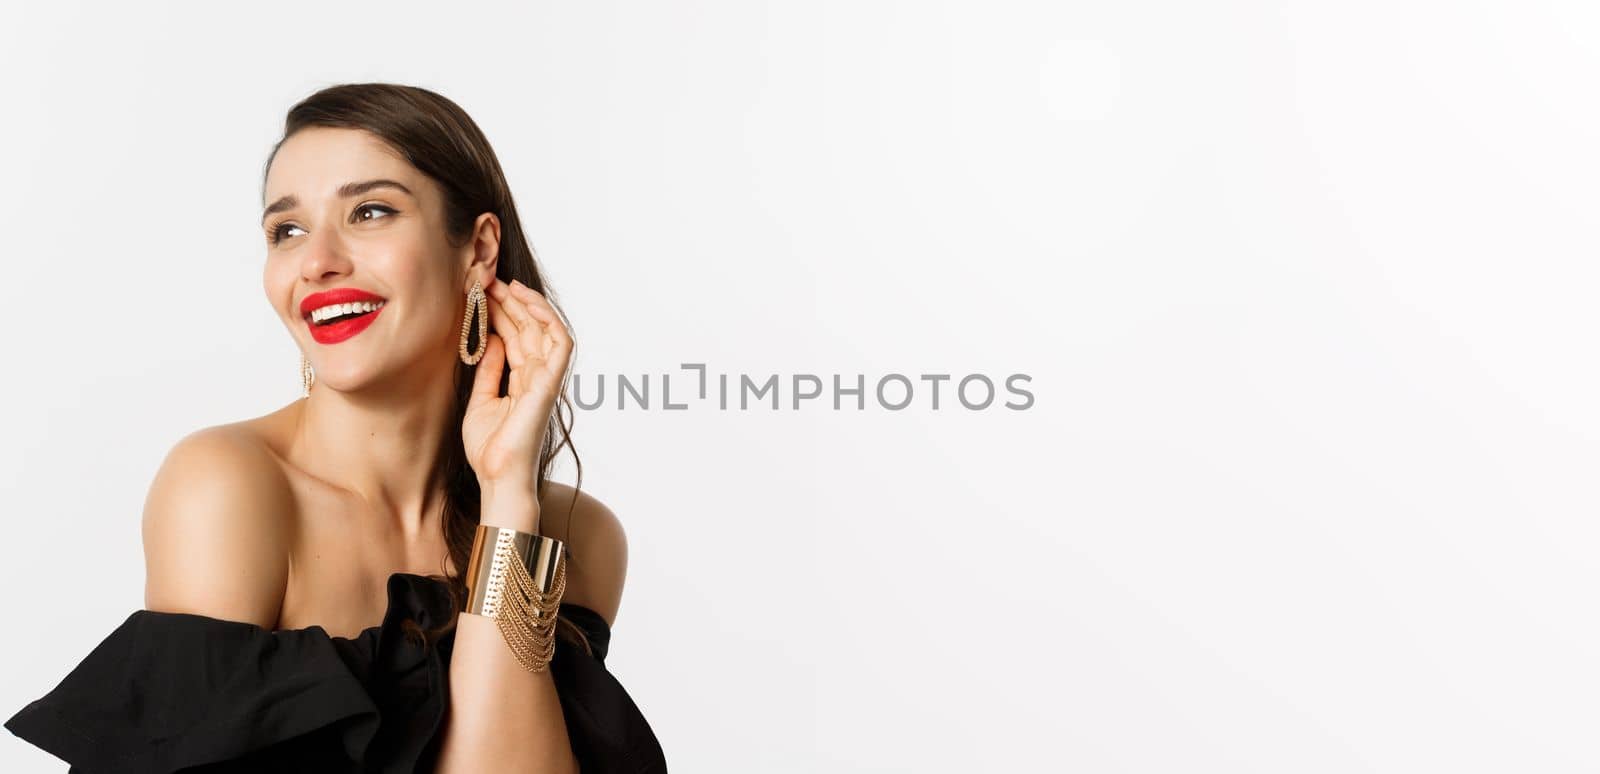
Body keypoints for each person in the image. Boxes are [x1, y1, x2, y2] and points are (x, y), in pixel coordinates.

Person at [4, 82, 668, 773]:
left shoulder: (575, 535)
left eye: (370, 212)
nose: (316, 261)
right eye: (286, 230)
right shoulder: (230, 488)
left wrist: (508, 502)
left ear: (478, 250)